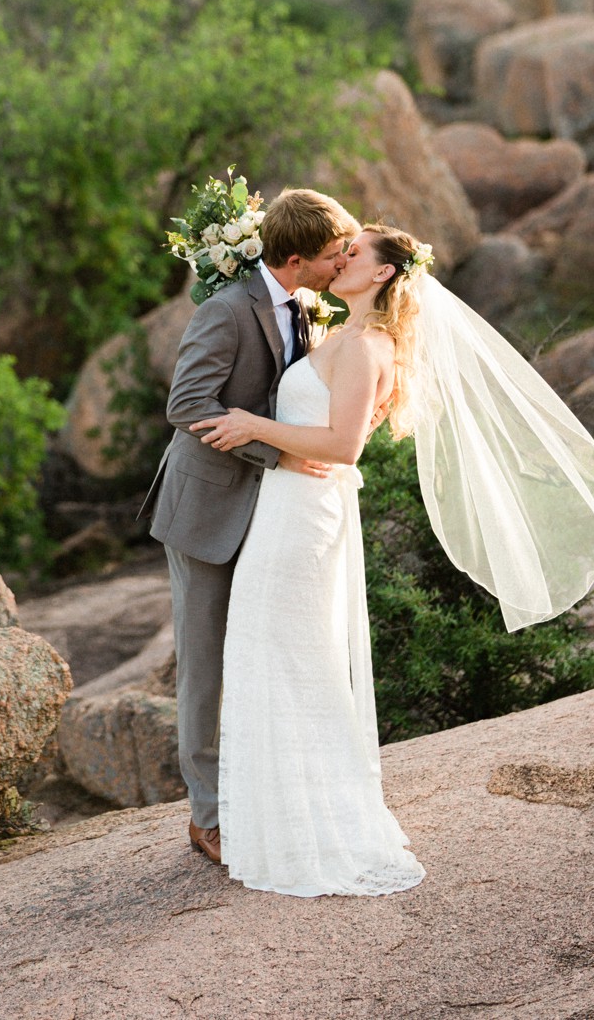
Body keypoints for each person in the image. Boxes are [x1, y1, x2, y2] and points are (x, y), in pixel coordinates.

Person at [189, 222, 594, 895]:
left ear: (384, 273)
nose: (340, 261)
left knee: (296, 658)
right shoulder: (341, 335)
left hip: (305, 512)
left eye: (353, 254)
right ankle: (281, 818)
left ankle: (317, 826)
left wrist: (252, 426)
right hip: (288, 506)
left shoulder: (366, 347)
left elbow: (344, 445)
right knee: (275, 653)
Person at [137, 186, 357, 867]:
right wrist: (278, 449)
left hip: (273, 511)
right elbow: (187, 404)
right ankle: (208, 816)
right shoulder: (227, 311)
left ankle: (267, 793)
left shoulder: (310, 305)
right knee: (205, 666)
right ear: (296, 258)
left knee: (265, 654)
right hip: (207, 510)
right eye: (334, 255)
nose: (344, 262)